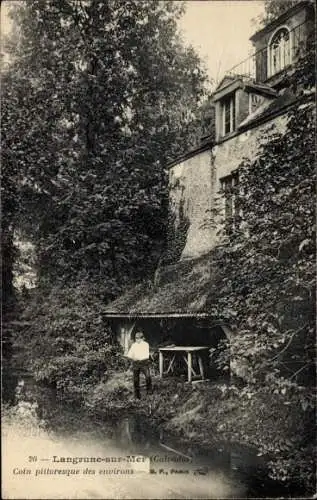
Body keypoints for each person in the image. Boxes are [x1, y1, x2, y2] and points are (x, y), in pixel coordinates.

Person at [127, 331, 152, 399]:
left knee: (148, 376)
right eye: (136, 338)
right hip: (136, 363)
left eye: (138, 338)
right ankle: (137, 394)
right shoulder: (134, 345)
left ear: (142, 338)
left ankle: (149, 391)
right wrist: (132, 358)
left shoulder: (146, 344)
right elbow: (129, 355)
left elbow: (146, 356)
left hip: (144, 362)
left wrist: (137, 357)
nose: (137, 340)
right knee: (135, 379)